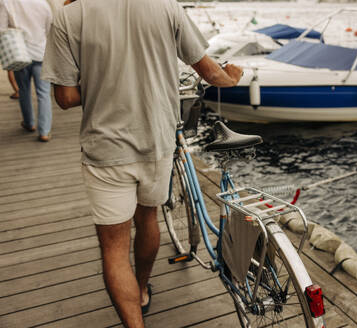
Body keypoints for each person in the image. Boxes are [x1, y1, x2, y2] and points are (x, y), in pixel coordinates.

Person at [41, 0, 242, 327]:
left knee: (114, 248)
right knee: (148, 218)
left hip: (105, 150)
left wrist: (98, 82)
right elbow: (210, 73)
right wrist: (231, 77)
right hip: (157, 142)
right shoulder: (167, 7)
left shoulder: (68, 15)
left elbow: (64, 98)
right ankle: (143, 287)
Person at [0, 0, 53, 141]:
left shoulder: (7, 3)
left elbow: (2, 29)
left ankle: (29, 123)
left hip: (20, 54)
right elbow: (49, 30)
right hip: (41, 53)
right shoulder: (43, 4)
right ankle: (44, 131)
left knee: (23, 90)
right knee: (44, 93)